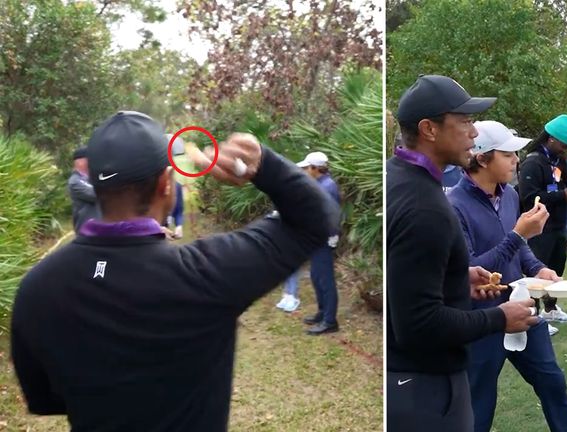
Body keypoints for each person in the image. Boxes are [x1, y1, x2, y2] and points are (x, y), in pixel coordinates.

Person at [11, 111, 339, 431]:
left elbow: (44, 399)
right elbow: (316, 218)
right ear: (165, 184)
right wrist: (263, 165)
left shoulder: (37, 287)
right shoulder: (208, 274)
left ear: (94, 185)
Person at [387, 75, 541, 431]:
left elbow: (408, 279)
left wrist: (456, 278)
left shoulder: (397, 177)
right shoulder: (426, 207)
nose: (474, 133)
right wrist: (499, 318)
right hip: (424, 387)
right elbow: (418, 325)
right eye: (465, 122)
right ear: (429, 129)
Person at [447, 120, 567, 432]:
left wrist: (539, 269)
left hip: (521, 307)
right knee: (479, 404)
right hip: (482, 319)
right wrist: (518, 236)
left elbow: (520, 250)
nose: (517, 161)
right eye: (508, 155)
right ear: (482, 158)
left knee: (553, 383)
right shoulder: (453, 205)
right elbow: (474, 272)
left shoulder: (508, 195)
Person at [518, 114, 567, 336]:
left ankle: (551, 308)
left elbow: (562, 186)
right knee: (537, 271)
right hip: (538, 227)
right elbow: (528, 197)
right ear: (551, 139)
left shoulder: (559, 162)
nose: (566, 150)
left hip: (557, 225)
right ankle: (532, 315)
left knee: (556, 267)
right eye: (564, 145)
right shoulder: (533, 162)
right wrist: (561, 196)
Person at [296, 151, 342, 335]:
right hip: (315, 239)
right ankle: (322, 312)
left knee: (326, 280)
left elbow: (332, 214)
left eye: (307, 168)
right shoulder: (320, 184)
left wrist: (332, 236)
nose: (305, 171)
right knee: (316, 277)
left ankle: (330, 321)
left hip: (324, 240)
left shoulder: (327, 187)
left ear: (316, 169)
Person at [67, 147, 100, 234]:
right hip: (87, 232)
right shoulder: (75, 181)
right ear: (80, 162)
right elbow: (97, 194)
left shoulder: (92, 179)